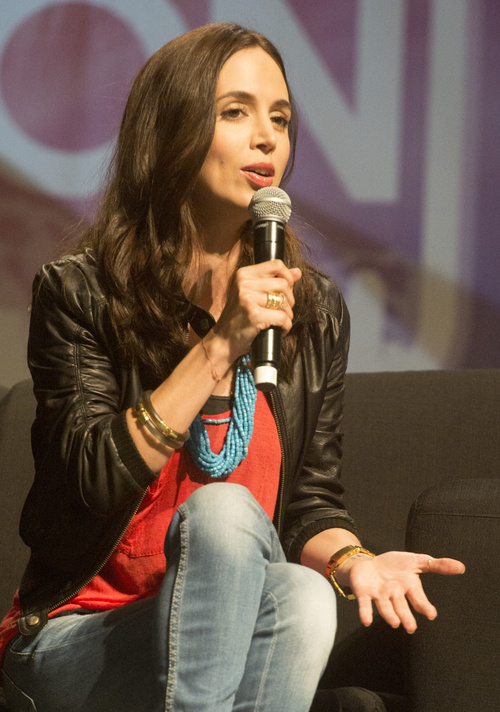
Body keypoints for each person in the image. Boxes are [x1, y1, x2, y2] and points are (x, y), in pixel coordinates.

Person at [0, 22, 464, 712]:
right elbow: (92, 476)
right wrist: (222, 343)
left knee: (305, 592)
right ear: (172, 131)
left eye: (280, 117)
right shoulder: (82, 292)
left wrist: (354, 561)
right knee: (221, 510)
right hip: (79, 637)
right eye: (236, 112)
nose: (268, 137)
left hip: (233, 631)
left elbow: (308, 504)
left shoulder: (313, 310)